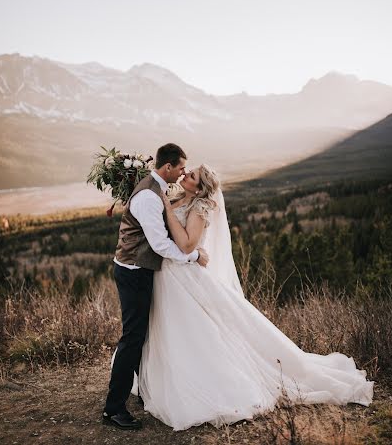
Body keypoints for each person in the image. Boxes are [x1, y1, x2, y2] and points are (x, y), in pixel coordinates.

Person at [135, 164, 374, 431]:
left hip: (182, 275)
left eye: (192, 176)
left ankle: (204, 384)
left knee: (193, 331)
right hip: (166, 274)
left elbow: (187, 245)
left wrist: (166, 210)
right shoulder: (178, 195)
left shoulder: (200, 209)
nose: (186, 174)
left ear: (200, 188)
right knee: (171, 330)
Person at [102, 143, 209, 431]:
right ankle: (113, 409)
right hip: (134, 271)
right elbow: (160, 245)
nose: (183, 173)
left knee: (143, 334)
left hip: (138, 269)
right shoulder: (150, 197)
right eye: (181, 168)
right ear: (168, 168)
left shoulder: (156, 188)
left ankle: (144, 389)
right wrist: (194, 256)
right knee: (133, 338)